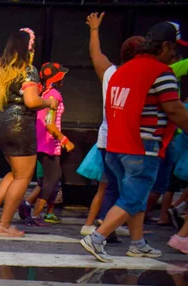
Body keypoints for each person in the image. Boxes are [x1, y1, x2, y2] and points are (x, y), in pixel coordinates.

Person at [80, 22, 188, 262]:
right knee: (133, 198)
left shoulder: (123, 70)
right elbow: (174, 110)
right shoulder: (161, 72)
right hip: (143, 146)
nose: (175, 55)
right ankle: (97, 238)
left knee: (133, 196)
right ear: (166, 46)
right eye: (174, 49)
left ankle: (138, 243)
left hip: (116, 146)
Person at [0, 28, 58, 237]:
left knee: (15, 173)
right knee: (23, 177)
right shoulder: (28, 70)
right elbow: (31, 101)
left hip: (1, 123)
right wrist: (49, 101)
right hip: (20, 125)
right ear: (28, 48)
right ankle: (4, 226)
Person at [80, 13, 144, 238]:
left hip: (106, 138)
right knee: (131, 187)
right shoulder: (142, 76)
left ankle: (107, 224)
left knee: (112, 185)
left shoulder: (110, 73)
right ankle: (110, 224)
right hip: (129, 141)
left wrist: (94, 30)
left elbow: (96, 54)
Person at [20, 62, 75, 225]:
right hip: (49, 143)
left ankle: (27, 204)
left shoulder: (42, 93)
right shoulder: (54, 95)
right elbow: (50, 123)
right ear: (56, 78)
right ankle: (36, 215)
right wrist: (65, 140)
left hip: (40, 140)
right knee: (51, 179)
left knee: (51, 178)